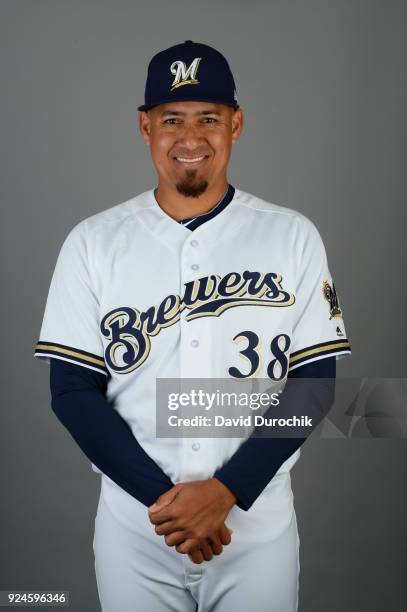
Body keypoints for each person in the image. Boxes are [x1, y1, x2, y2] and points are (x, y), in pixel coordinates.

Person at [34, 40, 351, 612]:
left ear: (236, 122)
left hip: (256, 528)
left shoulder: (291, 236)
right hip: (136, 528)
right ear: (144, 126)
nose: (190, 137)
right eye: (170, 119)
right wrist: (169, 505)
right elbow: (72, 392)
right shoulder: (93, 242)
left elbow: (315, 385)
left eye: (208, 118)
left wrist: (227, 492)